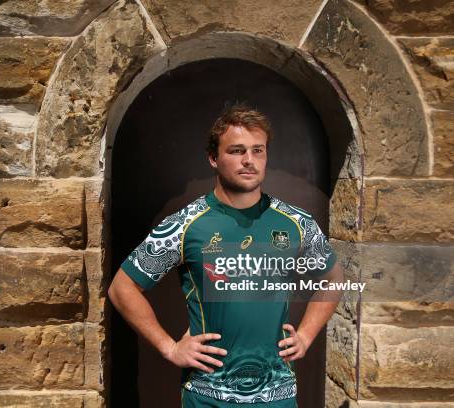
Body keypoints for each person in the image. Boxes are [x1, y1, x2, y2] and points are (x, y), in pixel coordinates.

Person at [108, 103, 344, 407]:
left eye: (258, 150)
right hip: (207, 396)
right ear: (213, 158)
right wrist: (169, 347)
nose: (249, 160)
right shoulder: (185, 225)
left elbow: (333, 278)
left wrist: (307, 335)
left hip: (278, 396)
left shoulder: (296, 223)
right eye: (236, 151)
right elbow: (122, 288)